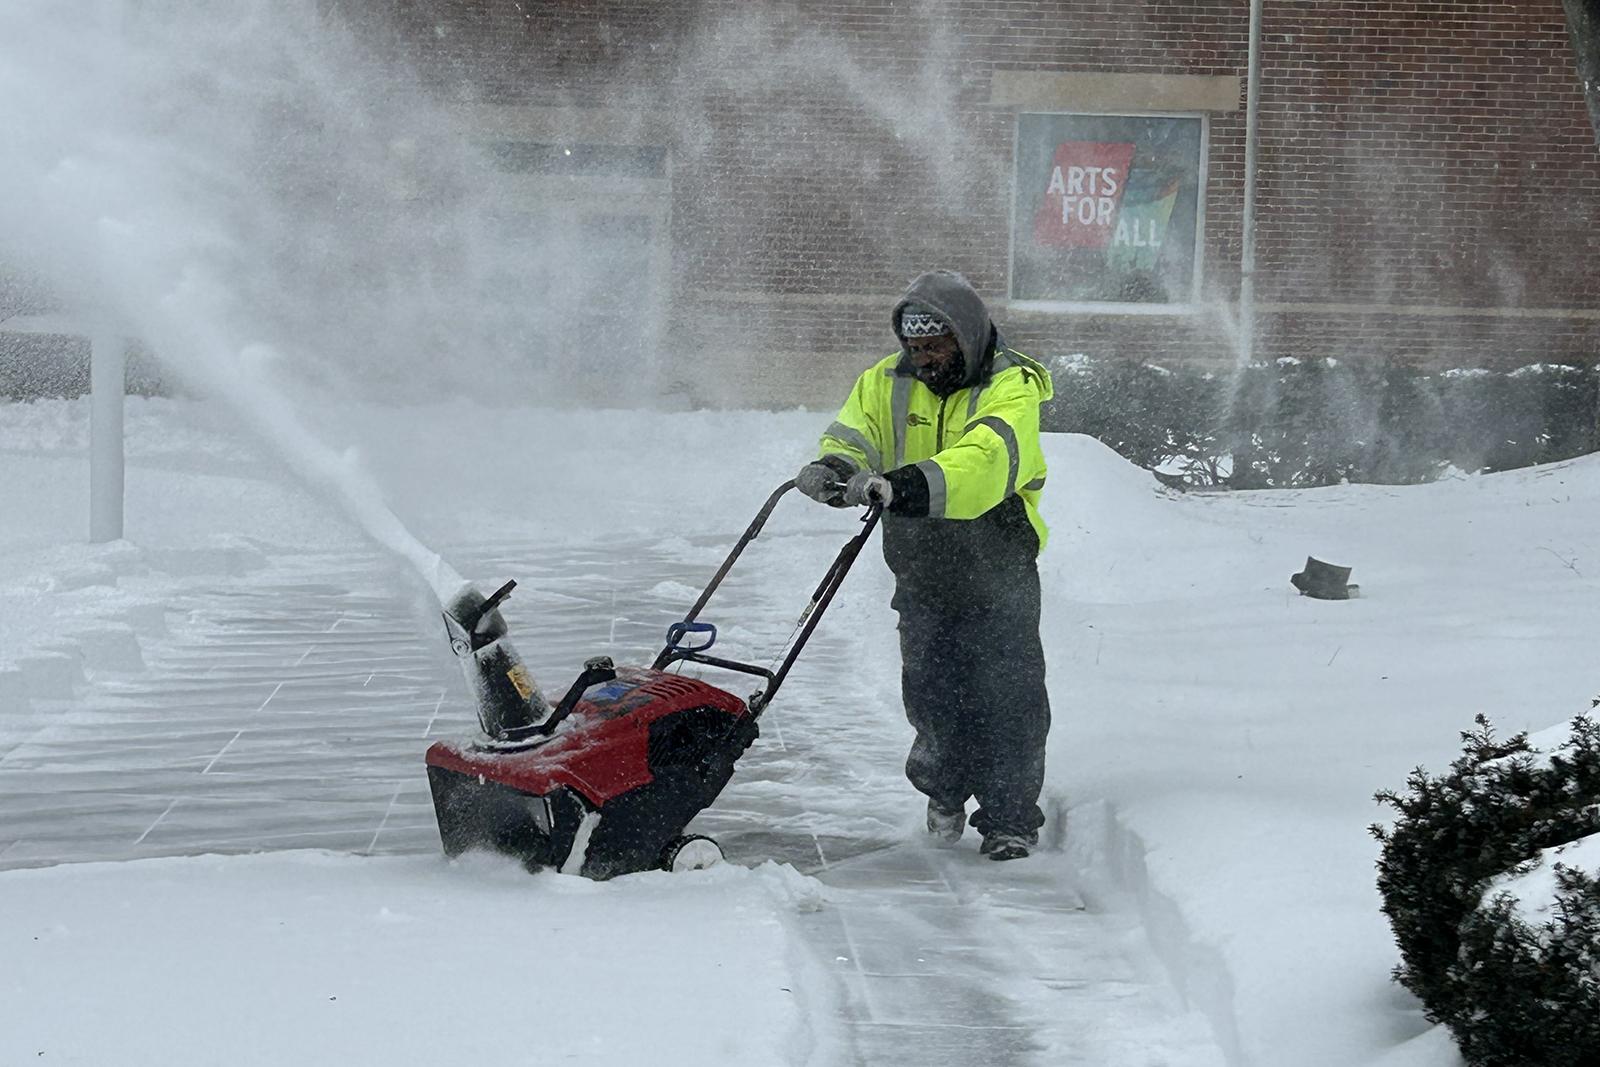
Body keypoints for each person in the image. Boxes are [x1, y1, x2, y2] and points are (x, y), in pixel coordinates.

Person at [794, 270, 1053, 861]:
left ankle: (1010, 818)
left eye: (935, 347)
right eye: (914, 347)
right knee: (933, 687)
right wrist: (836, 465)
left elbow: (985, 460)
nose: (923, 359)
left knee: (1007, 693)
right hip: (921, 561)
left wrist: (900, 486)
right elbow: (858, 431)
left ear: (964, 336)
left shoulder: (1011, 387)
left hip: (997, 559)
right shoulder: (886, 380)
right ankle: (945, 789)